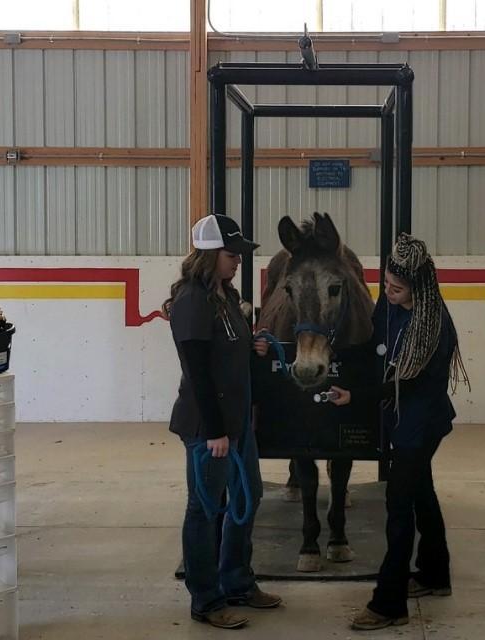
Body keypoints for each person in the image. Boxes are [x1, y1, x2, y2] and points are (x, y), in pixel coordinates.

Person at [326, 233, 469, 631]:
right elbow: (373, 345)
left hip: (419, 424)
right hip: (400, 417)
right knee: (422, 492)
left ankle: (389, 603)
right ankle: (434, 573)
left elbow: (402, 385)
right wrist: (333, 351)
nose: (388, 293)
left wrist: (353, 397)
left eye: (397, 288)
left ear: (418, 288)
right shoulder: (389, 307)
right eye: (386, 284)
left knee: (399, 504)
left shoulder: (433, 325)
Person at [163, 214, 283, 631]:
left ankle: (236, 580)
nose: (238, 262)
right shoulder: (193, 301)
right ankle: (206, 598)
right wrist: (215, 431)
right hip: (208, 427)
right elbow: (198, 370)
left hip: (237, 425)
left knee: (248, 500)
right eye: (232, 255)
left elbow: (230, 354)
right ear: (210, 255)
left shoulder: (226, 297)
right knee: (205, 510)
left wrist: (256, 348)